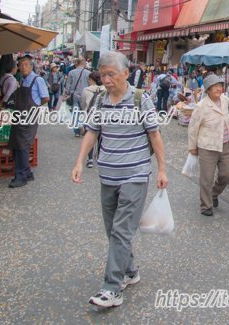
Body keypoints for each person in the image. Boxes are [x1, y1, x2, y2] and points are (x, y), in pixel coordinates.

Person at [71, 51, 167, 309]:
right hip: (108, 175)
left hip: (135, 175)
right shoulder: (100, 100)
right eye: (102, 75)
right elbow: (92, 132)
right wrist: (80, 161)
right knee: (112, 229)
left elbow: (155, 135)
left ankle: (112, 288)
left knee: (121, 230)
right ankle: (130, 271)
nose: (106, 79)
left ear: (125, 73)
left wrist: (161, 169)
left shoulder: (140, 99)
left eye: (111, 74)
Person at [187, 74, 229, 216]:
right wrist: (192, 147)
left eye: (220, 86)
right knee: (206, 178)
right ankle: (206, 205)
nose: (219, 89)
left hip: (225, 144)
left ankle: (214, 193)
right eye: (215, 87)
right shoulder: (201, 106)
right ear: (208, 89)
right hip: (207, 145)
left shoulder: (225, 100)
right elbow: (193, 128)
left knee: (227, 174)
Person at [7, 54, 49, 188]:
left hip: (29, 117)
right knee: (16, 144)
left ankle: (21, 177)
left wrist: (35, 107)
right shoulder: (23, 80)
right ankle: (27, 172)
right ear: (18, 67)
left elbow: (45, 98)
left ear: (31, 66)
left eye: (26, 64)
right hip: (19, 116)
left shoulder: (37, 80)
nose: (23, 67)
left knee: (23, 146)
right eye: (21, 65)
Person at [80, 71, 106, 168]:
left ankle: (90, 159)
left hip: (90, 115)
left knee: (89, 136)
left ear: (91, 80)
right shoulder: (106, 89)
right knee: (101, 137)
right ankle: (100, 157)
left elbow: (83, 104)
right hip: (102, 115)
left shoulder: (86, 89)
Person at [64, 58, 90, 137]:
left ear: (76, 63)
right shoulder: (88, 73)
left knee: (75, 112)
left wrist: (67, 93)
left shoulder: (71, 72)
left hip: (74, 94)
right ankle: (84, 127)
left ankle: (77, 131)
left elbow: (68, 84)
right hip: (86, 95)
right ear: (84, 63)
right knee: (85, 112)